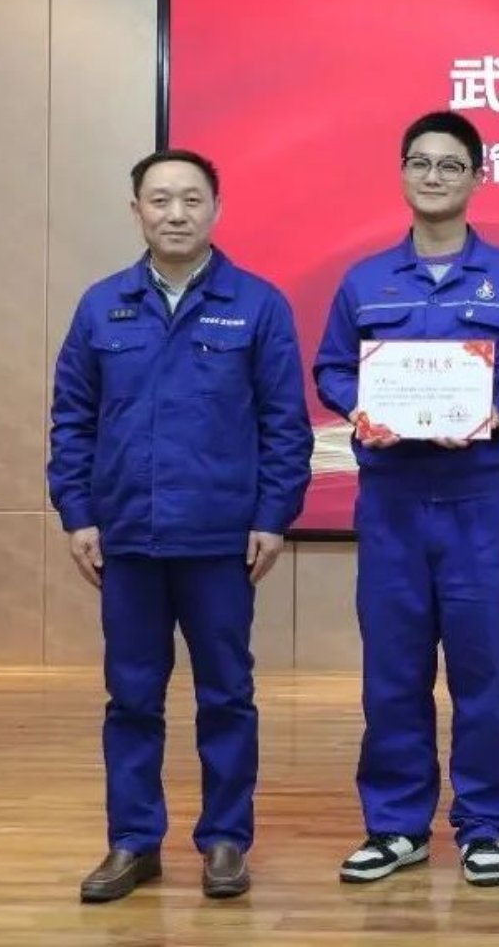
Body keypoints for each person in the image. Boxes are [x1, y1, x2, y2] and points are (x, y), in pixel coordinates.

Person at [49, 148, 313, 902]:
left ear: (216, 210)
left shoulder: (257, 305)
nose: (175, 214)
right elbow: (72, 419)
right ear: (136, 210)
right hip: (127, 538)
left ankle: (226, 840)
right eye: (160, 199)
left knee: (226, 695)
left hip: (220, 539)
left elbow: (284, 425)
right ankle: (133, 843)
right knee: (132, 697)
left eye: (192, 200)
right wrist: (78, 514)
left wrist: (273, 516)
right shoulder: (102, 306)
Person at [313, 110, 499, 888]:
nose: (434, 176)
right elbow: (332, 369)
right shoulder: (365, 282)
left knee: (481, 672)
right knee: (393, 671)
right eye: (420, 163)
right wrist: (359, 405)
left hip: (478, 499)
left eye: (450, 165)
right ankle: (396, 825)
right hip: (391, 499)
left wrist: (498, 415)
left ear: (476, 178)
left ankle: (484, 825)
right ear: (402, 174)